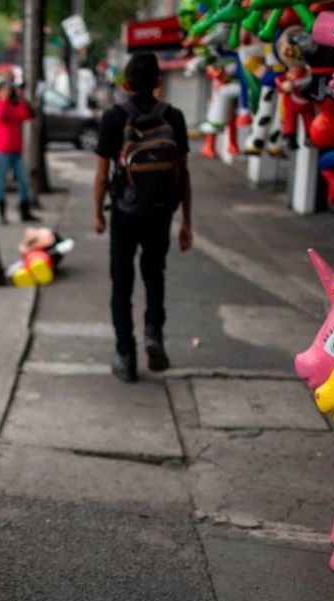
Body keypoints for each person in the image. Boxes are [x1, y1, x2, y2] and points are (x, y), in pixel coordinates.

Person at [93, 52, 193, 383]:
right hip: (161, 212)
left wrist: (97, 214)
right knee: (155, 275)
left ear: (125, 84)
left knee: (121, 285)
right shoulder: (174, 117)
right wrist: (186, 222)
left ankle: (126, 354)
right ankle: (153, 333)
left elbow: (101, 173)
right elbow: (184, 172)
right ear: (158, 84)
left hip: (125, 212)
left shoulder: (113, 117)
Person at [0, 80, 39, 224]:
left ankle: (24, 211)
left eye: (8, 90)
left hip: (17, 152)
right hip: (1, 152)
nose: (7, 93)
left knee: (24, 181)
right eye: (3, 90)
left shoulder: (14, 107)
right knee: (1, 183)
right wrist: (2, 100)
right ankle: (2, 213)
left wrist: (20, 98)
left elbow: (27, 115)